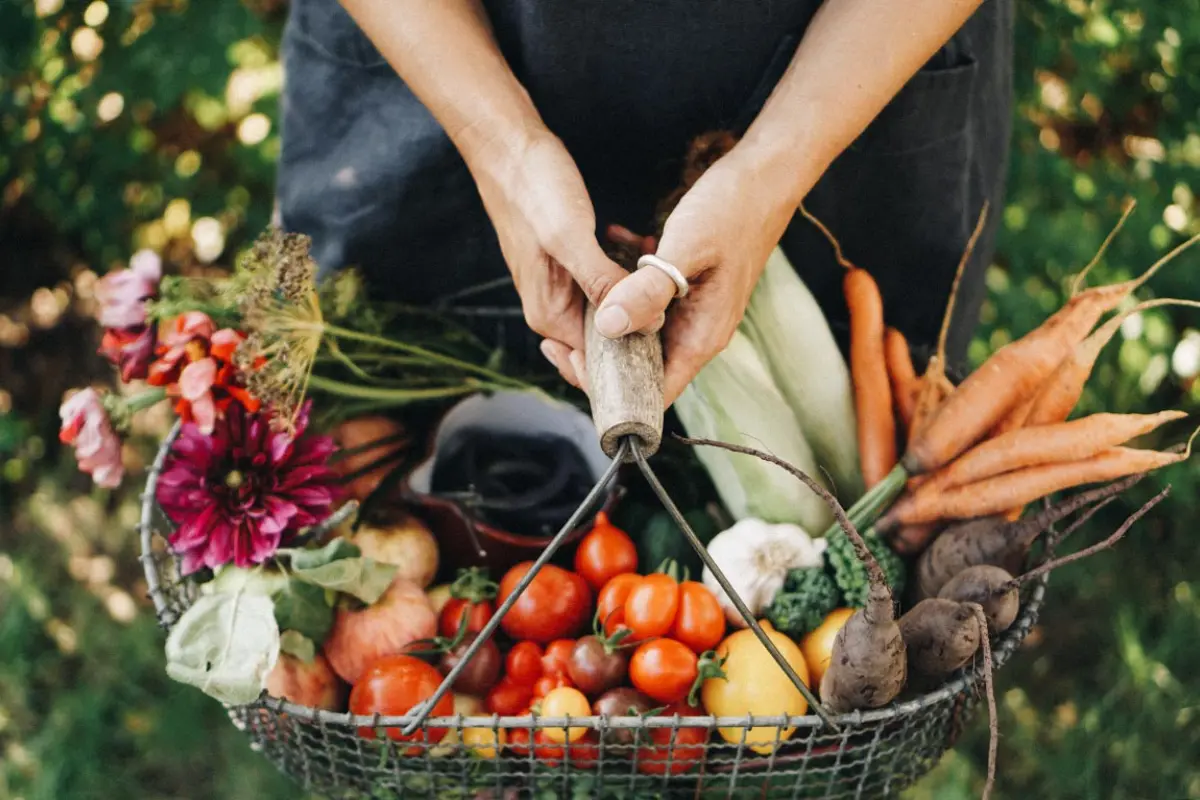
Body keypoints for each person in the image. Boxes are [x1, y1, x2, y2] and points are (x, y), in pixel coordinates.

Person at [277, 0, 1013, 406]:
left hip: (848, 68)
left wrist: (772, 170)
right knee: (374, 434)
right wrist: (499, 146)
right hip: (439, 54)